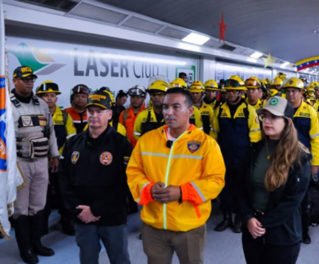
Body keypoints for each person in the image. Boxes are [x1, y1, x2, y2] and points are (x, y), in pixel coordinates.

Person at [126, 88, 225, 264]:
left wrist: (182, 192)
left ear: (190, 111)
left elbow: (216, 181)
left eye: (176, 107)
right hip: (153, 226)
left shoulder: (207, 144)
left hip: (189, 228)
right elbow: (133, 171)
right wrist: (148, 189)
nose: (168, 112)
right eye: (165, 107)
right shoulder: (147, 141)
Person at [59, 90, 132, 264]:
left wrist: (96, 209)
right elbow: (63, 180)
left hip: (112, 216)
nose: (93, 115)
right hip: (82, 215)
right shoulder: (73, 143)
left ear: (109, 114)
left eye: (99, 111)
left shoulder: (121, 144)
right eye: (90, 111)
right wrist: (77, 209)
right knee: (88, 259)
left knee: (120, 258)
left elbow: (125, 183)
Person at [239, 96, 311, 264]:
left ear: (287, 122)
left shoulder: (299, 157)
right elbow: (241, 188)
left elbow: (292, 201)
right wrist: (248, 218)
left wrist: (261, 224)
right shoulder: (254, 151)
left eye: (274, 117)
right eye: (264, 116)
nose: (267, 121)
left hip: (282, 235)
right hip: (252, 231)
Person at [10, 66, 59, 263]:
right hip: (20, 163)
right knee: (21, 208)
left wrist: (54, 154)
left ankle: (37, 243)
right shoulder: (7, 105)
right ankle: (26, 249)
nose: (30, 82)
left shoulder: (41, 104)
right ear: (15, 80)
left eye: (31, 79)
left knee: (38, 205)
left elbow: (50, 131)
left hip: (41, 162)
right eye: (25, 79)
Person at [213, 75, 261, 233]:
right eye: (228, 92)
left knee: (242, 188)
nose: (230, 95)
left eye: (234, 92)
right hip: (224, 157)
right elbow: (214, 134)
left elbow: (255, 137)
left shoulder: (249, 111)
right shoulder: (219, 110)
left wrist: (253, 159)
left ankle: (240, 218)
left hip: (243, 158)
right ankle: (226, 217)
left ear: (241, 93)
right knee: (225, 188)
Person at [283, 77, 319, 244]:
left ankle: (304, 230)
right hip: (284, 160)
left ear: (301, 93)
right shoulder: (282, 110)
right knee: (285, 195)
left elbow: (316, 140)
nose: (291, 94)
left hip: (303, 162)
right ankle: (287, 228)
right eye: (288, 91)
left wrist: (315, 164)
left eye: (294, 91)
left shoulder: (310, 112)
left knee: (304, 197)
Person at [36, 81, 77, 236]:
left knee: (64, 195)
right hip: (40, 162)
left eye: (52, 95)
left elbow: (70, 139)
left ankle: (67, 222)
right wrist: (46, 157)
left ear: (56, 98)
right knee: (42, 197)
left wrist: (57, 156)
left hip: (60, 162)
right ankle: (41, 227)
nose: (49, 99)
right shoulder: (34, 116)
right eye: (45, 95)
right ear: (39, 97)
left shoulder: (65, 116)